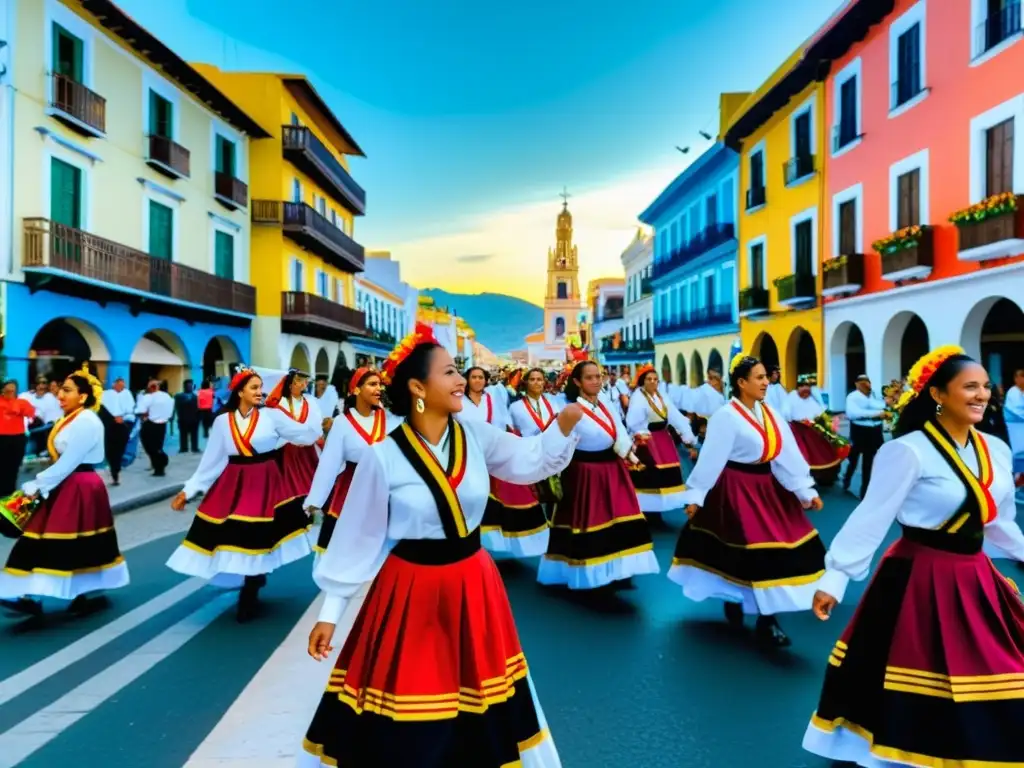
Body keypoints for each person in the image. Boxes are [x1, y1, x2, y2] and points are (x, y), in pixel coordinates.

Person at [300, 324, 577, 766]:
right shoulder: (382, 456)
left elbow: (528, 461)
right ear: (417, 387)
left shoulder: (476, 435)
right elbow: (358, 539)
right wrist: (331, 614)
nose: (461, 380)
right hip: (410, 589)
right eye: (449, 372)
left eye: (459, 371)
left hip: (473, 581)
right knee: (412, 695)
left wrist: (562, 429)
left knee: (480, 697)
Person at [803, 347, 1024, 767]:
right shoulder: (908, 450)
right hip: (920, 575)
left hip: (975, 573)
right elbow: (871, 518)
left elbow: (996, 521)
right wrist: (835, 578)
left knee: (996, 662)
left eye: (984, 387)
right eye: (969, 387)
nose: (982, 395)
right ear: (938, 393)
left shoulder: (994, 449)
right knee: (920, 664)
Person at [669, 354, 824, 647]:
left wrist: (805, 490)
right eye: (759, 377)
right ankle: (766, 619)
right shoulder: (726, 416)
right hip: (736, 489)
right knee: (753, 548)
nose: (766, 382)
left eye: (766, 376)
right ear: (741, 383)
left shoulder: (771, 413)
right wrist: (696, 496)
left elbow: (785, 454)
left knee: (781, 544)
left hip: (768, 488)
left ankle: (754, 607)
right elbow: (712, 459)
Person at [168, 367, 320, 622]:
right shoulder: (222, 422)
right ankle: (252, 579)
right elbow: (212, 460)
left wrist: (302, 428)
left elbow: (307, 434)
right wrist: (189, 490)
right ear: (240, 392)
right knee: (234, 532)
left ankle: (250, 588)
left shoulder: (272, 417)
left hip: (266, 479)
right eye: (254, 388)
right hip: (234, 480)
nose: (260, 392)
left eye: (261, 387)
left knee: (257, 534)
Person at [0, 364, 130, 616]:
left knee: (69, 543)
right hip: (65, 483)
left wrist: (37, 483)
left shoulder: (87, 420)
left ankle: (69, 592)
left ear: (82, 396)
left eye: (67, 391)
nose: (59, 395)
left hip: (78, 484)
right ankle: (26, 593)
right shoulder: (69, 418)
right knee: (46, 540)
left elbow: (71, 459)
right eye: (60, 390)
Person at [537, 360, 659, 591]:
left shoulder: (605, 404)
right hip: (585, 473)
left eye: (598, 376)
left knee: (622, 518)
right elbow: (552, 440)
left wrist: (629, 452)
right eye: (589, 377)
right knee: (590, 522)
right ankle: (592, 573)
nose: (596, 381)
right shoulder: (570, 410)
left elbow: (618, 430)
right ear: (577, 382)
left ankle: (619, 570)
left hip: (613, 470)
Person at [459, 366, 551, 558]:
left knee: (501, 498)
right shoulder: (458, 401)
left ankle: (496, 543)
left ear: (486, 380)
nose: (477, 381)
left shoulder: (491, 400)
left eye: (481, 377)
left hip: (491, 454)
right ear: (467, 379)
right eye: (473, 377)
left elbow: (503, 425)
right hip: (467, 454)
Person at [305, 367, 398, 557]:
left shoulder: (390, 419)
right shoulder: (342, 423)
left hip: (384, 488)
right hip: (351, 490)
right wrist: (315, 500)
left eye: (380, 385)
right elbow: (329, 465)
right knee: (348, 548)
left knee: (382, 548)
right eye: (372, 384)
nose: (378, 389)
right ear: (356, 389)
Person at [624, 365, 696, 517]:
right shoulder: (638, 397)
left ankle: (660, 510)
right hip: (647, 440)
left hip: (663, 439)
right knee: (650, 475)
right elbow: (632, 421)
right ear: (643, 381)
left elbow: (674, 415)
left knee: (667, 475)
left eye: (655, 379)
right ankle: (649, 512)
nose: (653, 382)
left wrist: (686, 433)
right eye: (649, 379)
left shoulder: (661, 396)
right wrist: (642, 433)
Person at [264, 369, 322, 519]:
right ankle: (288, 510)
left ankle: (308, 510)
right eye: (299, 381)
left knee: (309, 480)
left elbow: (316, 425)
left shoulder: (311, 402)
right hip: (285, 450)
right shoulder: (280, 404)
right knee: (286, 483)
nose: (304, 384)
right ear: (290, 384)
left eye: (305, 381)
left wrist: (306, 437)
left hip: (306, 450)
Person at [509, 367, 563, 507]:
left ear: (544, 382)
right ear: (525, 382)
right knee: (536, 498)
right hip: (530, 457)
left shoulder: (553, 403)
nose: (536, 382)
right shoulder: (515, 407)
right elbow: (512, 433)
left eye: (539, 379)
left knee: (556, 495)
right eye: (532, 379)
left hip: (553, 456)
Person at [784, 374, 849, 487]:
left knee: (828, 452)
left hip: (816, 431)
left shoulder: (813, 398)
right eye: (802, 386)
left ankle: (826, 478)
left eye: (807, 387)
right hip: (800, 432)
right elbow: (786, 415)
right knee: (803, 456)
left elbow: (820, 413)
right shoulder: (791, 398)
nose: (805, 390)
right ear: (797, 388)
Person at [842, 374, 888, 498]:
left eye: (867, 382)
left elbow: (882, 406)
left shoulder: (874, 395)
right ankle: (846, 480)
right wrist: (877, 414)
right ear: (856, 384)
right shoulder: (852, 397)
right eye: (862, 382)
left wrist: (887, 405)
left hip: (875, 431)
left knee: (870, 461)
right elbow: (853, 414)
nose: (865, 384)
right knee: (854, 459)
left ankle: (865, 491)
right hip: (860, 431)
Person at [0, 380, 34, 497]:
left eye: (12, 389)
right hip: (1, 438)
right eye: (7, 389)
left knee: (13, 467)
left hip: (17, 438)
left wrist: (17, 408)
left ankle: (9, 494)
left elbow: (30, 413)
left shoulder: (21, 402)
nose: (10, 391)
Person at [102, 377, 136, 486]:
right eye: (119, 385)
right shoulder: (106, 394)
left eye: (123, 385)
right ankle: (113, 469)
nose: (121, 387)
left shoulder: (127, 394)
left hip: (122, 424)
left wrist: (123, 418)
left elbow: (131, 410)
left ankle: (116, 472)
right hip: (109, 424)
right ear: (114, 384)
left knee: (119, 449)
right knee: (109, 449)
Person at [136, 379, 173, 477]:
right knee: (158, 446)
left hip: (150, 424)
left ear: (151, 387)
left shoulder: (148, 397)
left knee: (149, 446)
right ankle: (159, 466)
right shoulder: (167, 396)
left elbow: (141, 410)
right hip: (163, 424)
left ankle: (159, 464)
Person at [21, 376, 60, 457]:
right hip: (28, 427)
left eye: (43, 383)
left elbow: (54, 419)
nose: (41, 386)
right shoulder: (28, 396)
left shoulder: (50, 398)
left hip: (44, 427)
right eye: (39, 383)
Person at [174, 379, 201, 454]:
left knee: (194, 435)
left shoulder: (196, 397)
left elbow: (199, 408)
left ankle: (195, 448)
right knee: (183, 435)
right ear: (184, 386)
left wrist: (198, 418)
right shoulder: (179, 397)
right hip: (183, 419)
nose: (189, 387)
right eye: (188, 386)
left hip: (194, 419)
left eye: (191, 386)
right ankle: (183, 448)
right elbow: (176, 408)